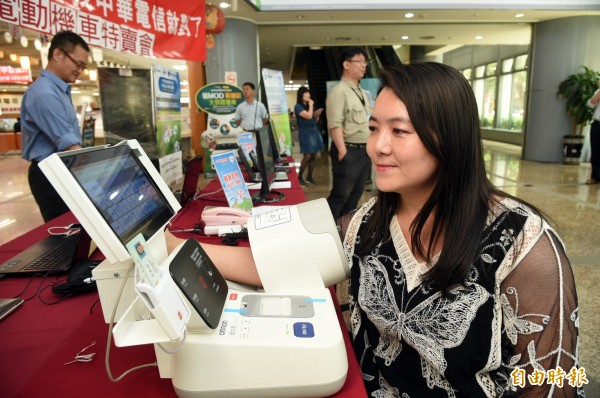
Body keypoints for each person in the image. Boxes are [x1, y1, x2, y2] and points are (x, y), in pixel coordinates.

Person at [166, 62, 582, 397]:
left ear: (450, 139)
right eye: (373, 127)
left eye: (399, 131)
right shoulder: (369, 222)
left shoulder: (524, 247)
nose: (377, 145)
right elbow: (269, 265)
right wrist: (167, 247)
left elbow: (552, 382)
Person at [21, 31, 90, 222]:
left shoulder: (59, 91)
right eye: (78, 64)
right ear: (58, 54)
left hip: (62, 168)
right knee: (65, 235)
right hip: (50, 175)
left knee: (77, 229)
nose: (80, 71)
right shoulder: (44, 93)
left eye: (84, 66)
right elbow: (69, 144)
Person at [325, 46, 373, 219]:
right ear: (346, 64)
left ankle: (344, 232)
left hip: (363, 151)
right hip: (349, 150)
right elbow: (334, 124)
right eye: (359, 61)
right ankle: (328, 233)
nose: (364, 65)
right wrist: (343, 152)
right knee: (340, 196)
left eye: (365, 62)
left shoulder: (360, 90)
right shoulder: (339, 92)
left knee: (354, 196)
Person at [294, 86, 324, 185]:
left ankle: (310, 177)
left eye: (308, 93)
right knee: (307, 156)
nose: (308, 95)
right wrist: (311, 106)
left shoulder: (309, 106)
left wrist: (317, 115)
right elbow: (308, 116)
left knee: (313, 156)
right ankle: (299, 177)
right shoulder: (298, 107)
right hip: (305, 133)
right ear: (301, 95)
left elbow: (314, 120)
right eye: (305, 93)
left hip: (314, 132)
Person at [585, 86, 600, 185]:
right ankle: (595, 177)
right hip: (597, 124)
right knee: (595, 151)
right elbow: (590, 104)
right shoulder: (598, 91)